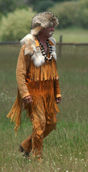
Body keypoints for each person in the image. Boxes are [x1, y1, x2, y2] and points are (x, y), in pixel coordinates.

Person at [7, 12, 61, 161]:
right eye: (49, 26)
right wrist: (25, 94)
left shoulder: (51, 44)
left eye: (53, 26)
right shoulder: (28, 44)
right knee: (39, 125)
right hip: (34, 92)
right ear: (40, 28)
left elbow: (54, 71)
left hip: (49, 91)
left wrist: (57, 91)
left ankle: (25, 145)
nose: (52, 29)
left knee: (51, 123)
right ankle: (38, 158)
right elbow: (20, 72)